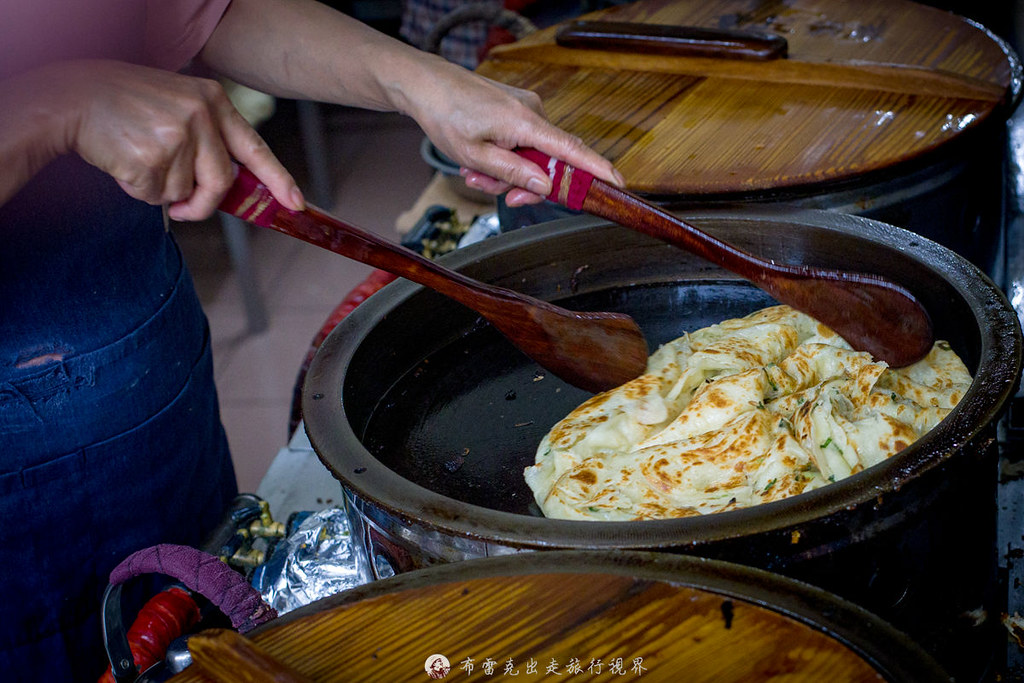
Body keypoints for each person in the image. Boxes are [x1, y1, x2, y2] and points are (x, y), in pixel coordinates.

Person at [0, 0, 624, 679]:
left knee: (209, 628)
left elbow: (192, 12)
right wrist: (50, 108)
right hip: (18, 461)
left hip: (145, 355)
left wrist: (419, 83)